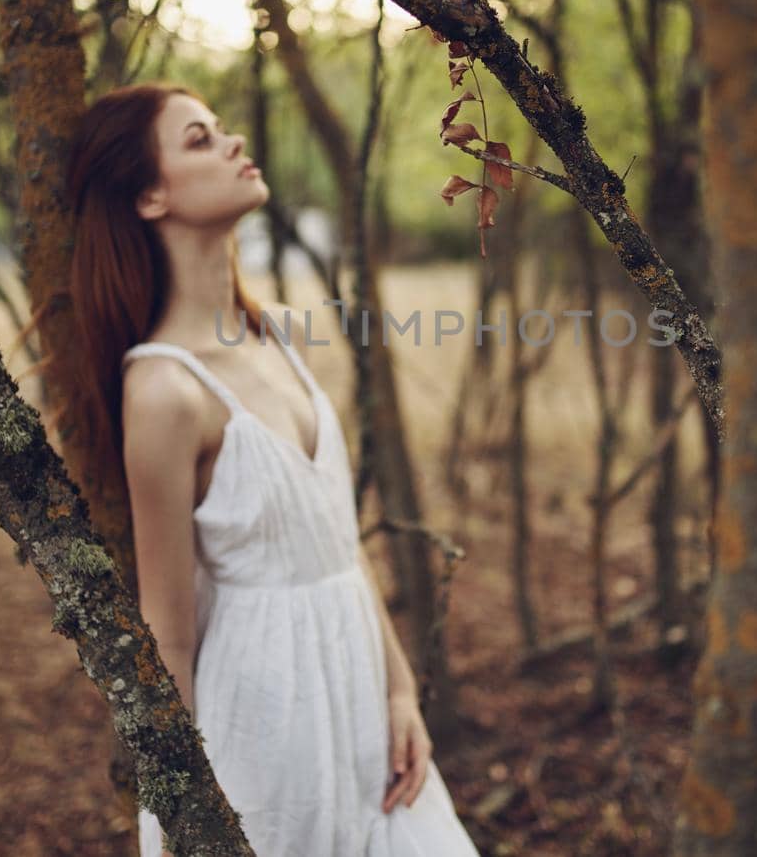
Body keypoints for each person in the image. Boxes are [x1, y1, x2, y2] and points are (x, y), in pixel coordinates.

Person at [59, 82, 480, 856]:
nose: (232, 143)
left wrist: (398, 688)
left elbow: (338, 545)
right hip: (265, 728)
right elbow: (169, 636)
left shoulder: (276, 336)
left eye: (222, 129)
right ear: (149, 196)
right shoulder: (164, 390)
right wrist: (185, 818)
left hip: (362, 707)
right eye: (198, 139)